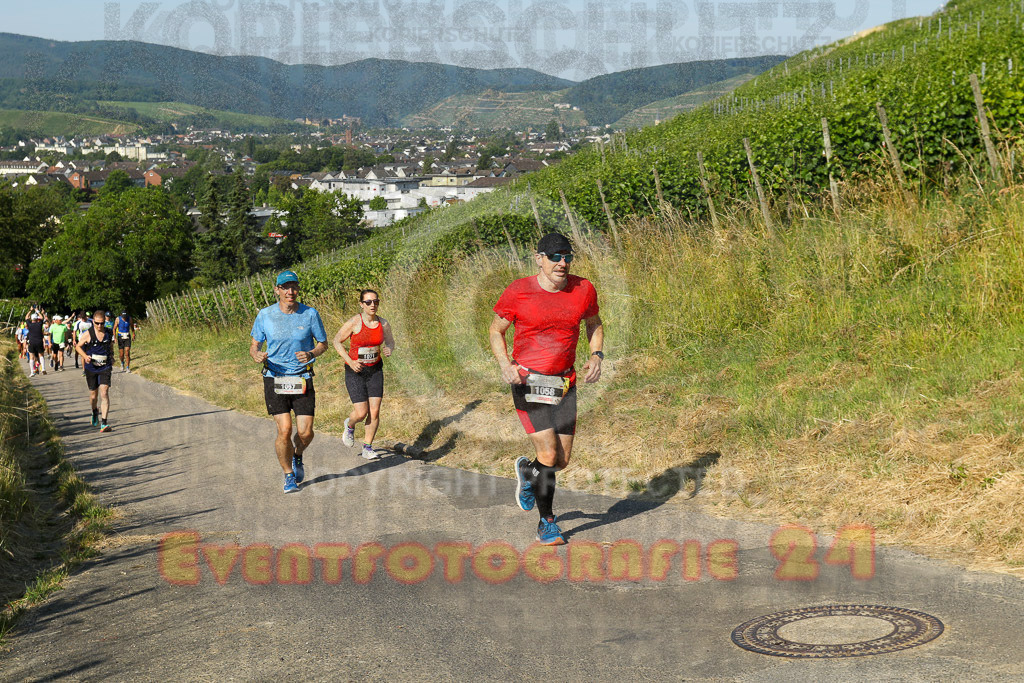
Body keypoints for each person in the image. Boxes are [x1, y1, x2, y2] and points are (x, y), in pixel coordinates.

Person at [489, 233, 604, 546]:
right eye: (555, 256)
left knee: (561, 460)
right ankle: (547, 523)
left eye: (567, 256)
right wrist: (505, 365)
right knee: (550, 454)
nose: (562, 263)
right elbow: (496, 330)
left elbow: (593, 323)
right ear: (538, 258)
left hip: (565, 383)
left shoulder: (583, 289)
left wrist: (596, 354)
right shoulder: (518, 291)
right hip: (529, 381)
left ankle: (529, 473)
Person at [249, 270, 328, 493]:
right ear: (277, 290)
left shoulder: (310, 314)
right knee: (284, 430)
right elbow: (254, 345)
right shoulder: (265, 315)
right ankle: (288, 475)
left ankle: (297, 454)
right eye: (285, 287)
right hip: (274, 377)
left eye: (293, 287)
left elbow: (323, 343)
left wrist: (312, 353)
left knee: (306, 432)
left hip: (301, 377)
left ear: (298, 289)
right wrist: (256, 354)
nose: (290, 292)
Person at [332, 289, 395, 460]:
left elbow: (390, 340)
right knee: (361, 413)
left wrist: (389, 348)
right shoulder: (354, 322)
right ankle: (350, 425)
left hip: (375, 370)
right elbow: (336, 340)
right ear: (361, 304)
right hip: (355, 372)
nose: (372, 305)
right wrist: (350, 361)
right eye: (368, 302)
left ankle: (367, 447)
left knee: (374, 412)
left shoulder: (384, 324)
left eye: (375, 301)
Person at [75, 309, 114, 431]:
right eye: (97, 323)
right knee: (93, 396)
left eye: (102, 323)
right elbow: (78, 346)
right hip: (91, 367)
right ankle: (94, 411)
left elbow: (110, 346)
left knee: (104, 392)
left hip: (105, 367)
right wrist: (85, 356)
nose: (99, 326)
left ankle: (104, 423)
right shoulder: (88, 333)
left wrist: (112, 356)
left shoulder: (109, 333)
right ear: (93, 322)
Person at [24, 311, 47, 377]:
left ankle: (32, 372)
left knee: (31, 357)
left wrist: (30, 310)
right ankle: (43, 368)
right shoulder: (39, 324)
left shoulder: (29, 324)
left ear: (31, 319)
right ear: (37, 319)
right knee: (41, 355)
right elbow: (42, 318)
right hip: (39, 342)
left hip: (32, 342)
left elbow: (26, 318)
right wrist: (38, 311)